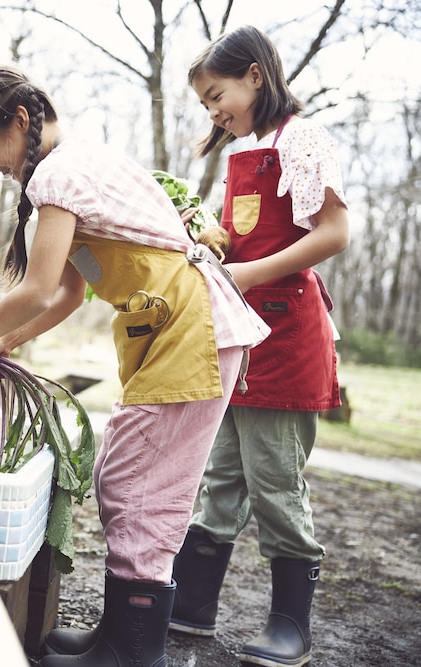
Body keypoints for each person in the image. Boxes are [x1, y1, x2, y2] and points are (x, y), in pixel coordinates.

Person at [0, 64, 270, 667]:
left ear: (19, 122)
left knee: (143, 487)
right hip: (178, 328)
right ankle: (120, 635)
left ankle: (132, 649)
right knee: (127, 477)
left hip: (190, 331)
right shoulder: (76, 164)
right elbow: (68, 293)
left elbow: (39, 289)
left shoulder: (60, 175)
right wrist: (4, 343)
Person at [166, 26, 350, 667]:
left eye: (218, 95)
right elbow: (249, 234)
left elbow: (334, 233)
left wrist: (245, 273)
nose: (214, 112)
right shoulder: (250, 148)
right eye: (205, 104)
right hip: (239, 339)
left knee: (275, 482)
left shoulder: (301, 138)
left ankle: (290, 625)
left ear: (254, 75)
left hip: (286, 338)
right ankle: (191, 607)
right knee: (218, 477)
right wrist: (212, 242)